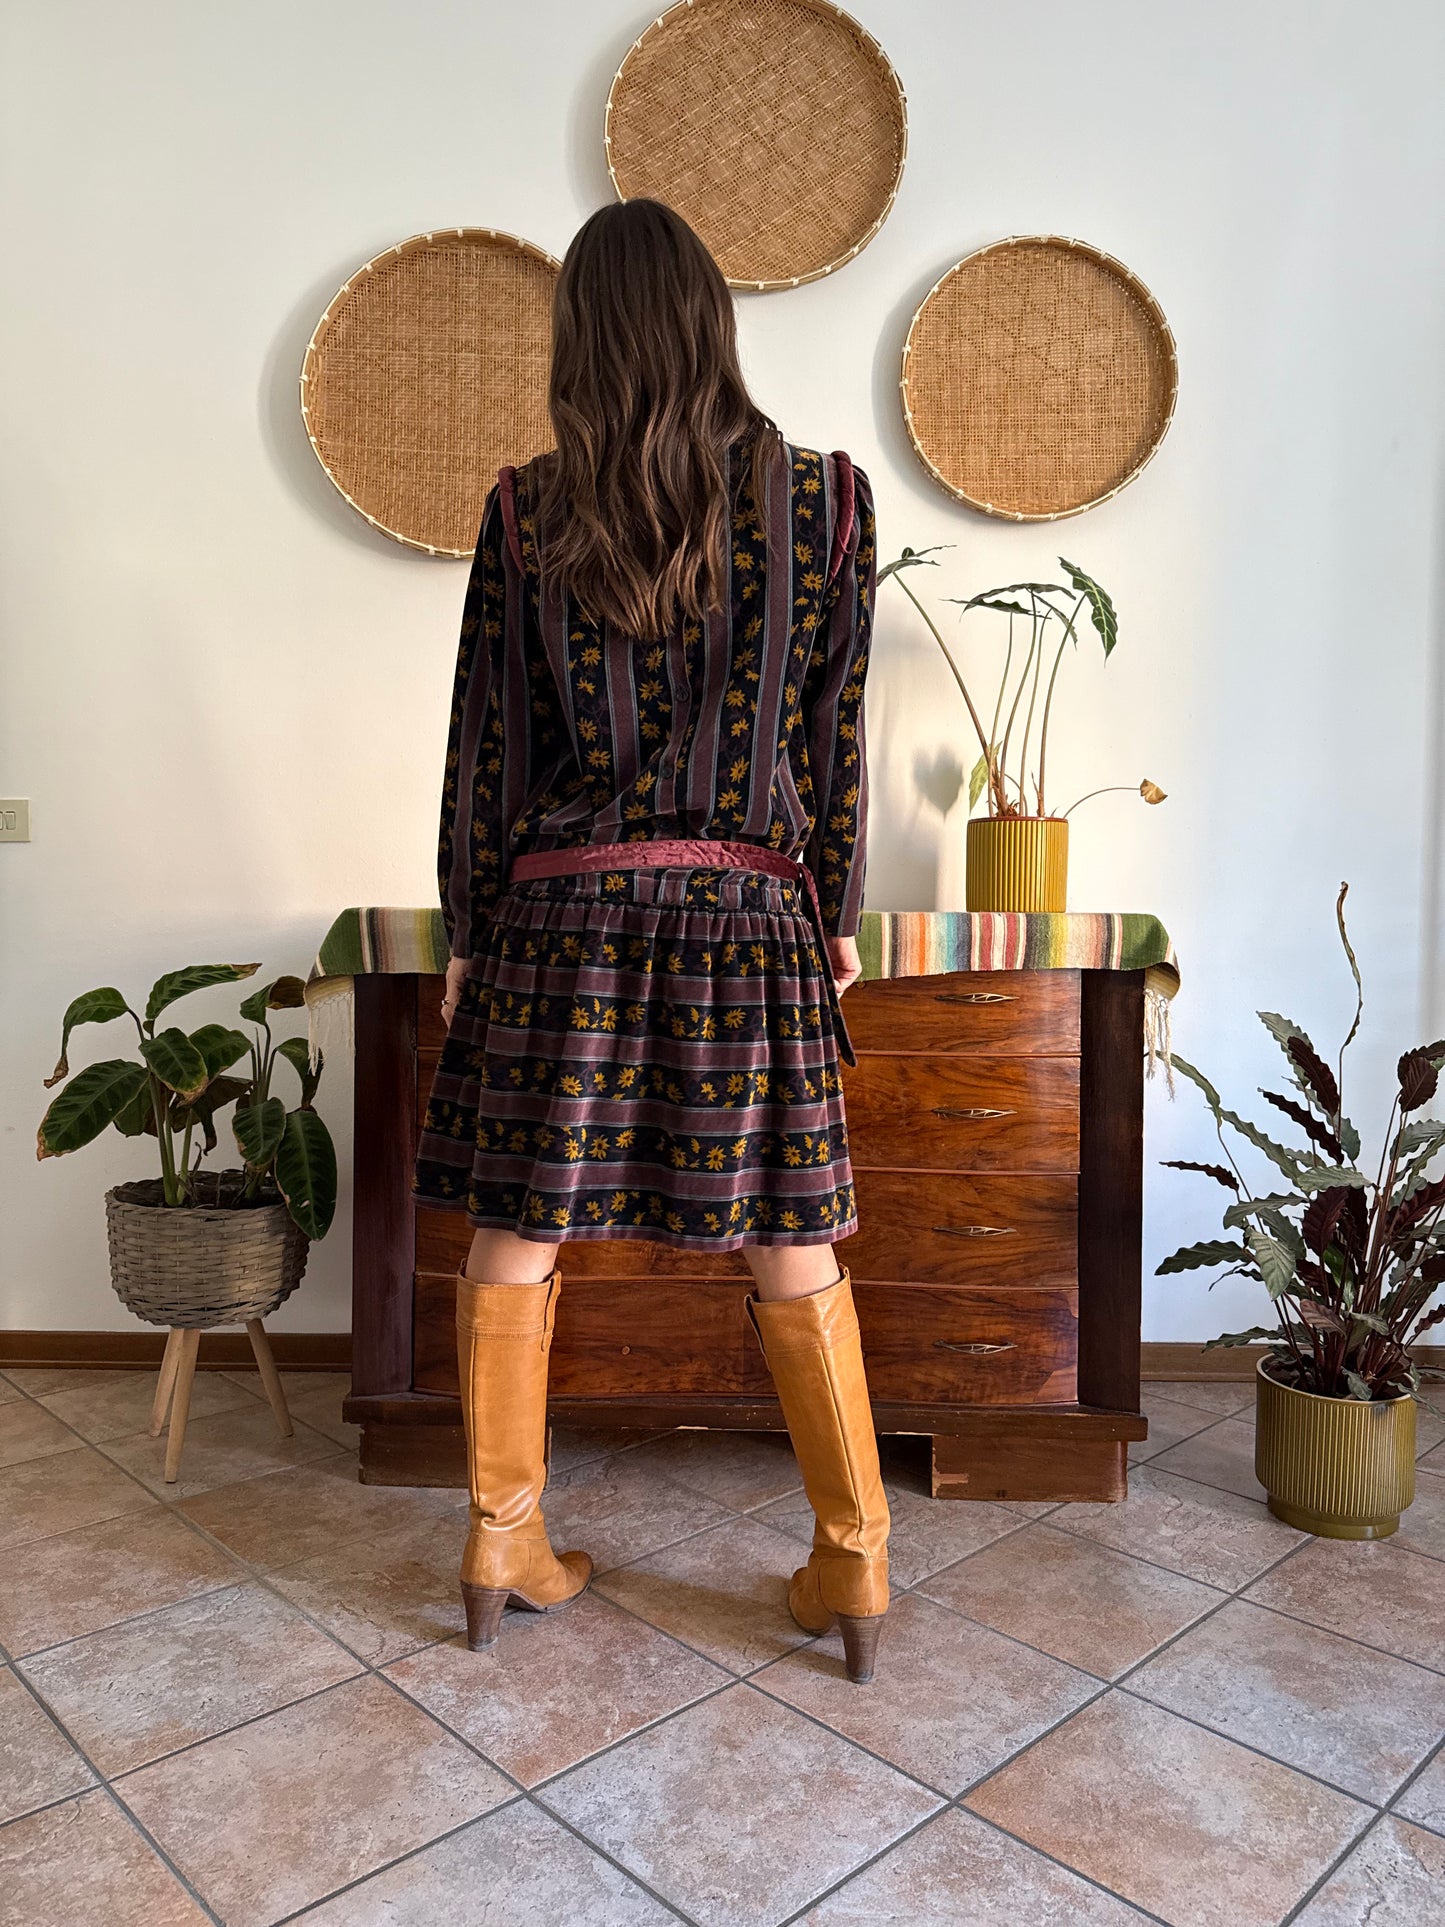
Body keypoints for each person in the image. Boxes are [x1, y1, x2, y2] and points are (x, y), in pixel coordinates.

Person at [413, 199, 890, 1683]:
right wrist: (831, 915)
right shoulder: (828, 500)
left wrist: (471, 931)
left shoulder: (522, 509)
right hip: (745, 912)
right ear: (711, 323)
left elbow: (485, 750)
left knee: (521, 1215)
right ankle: (852, 1561)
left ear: (579, 341)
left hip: (560, 913)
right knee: (789, 1236)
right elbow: (831, 739)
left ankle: (503, 1537)